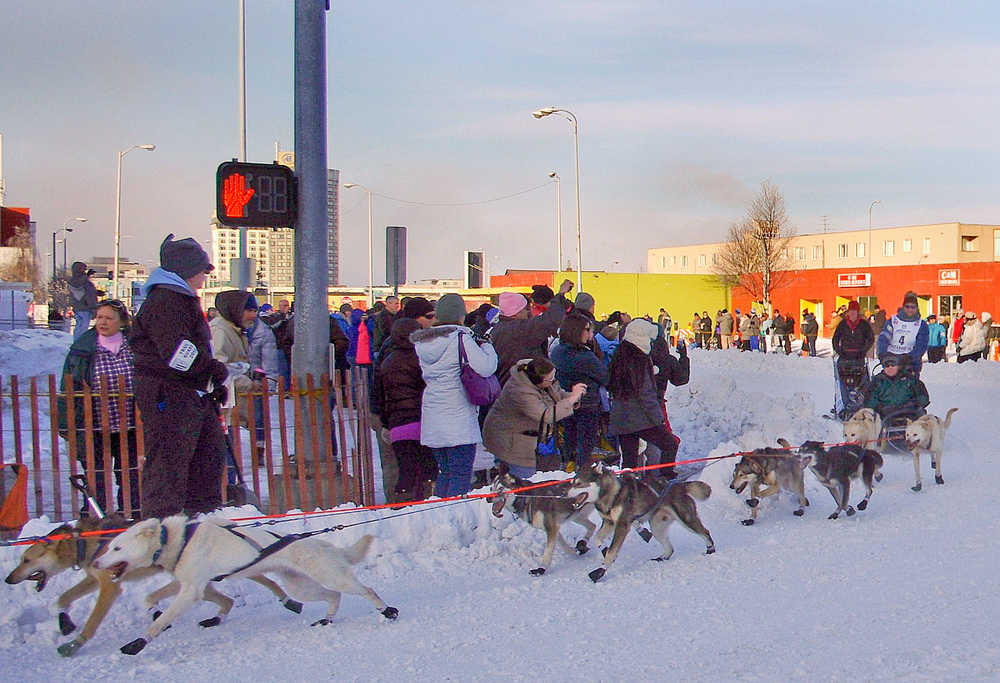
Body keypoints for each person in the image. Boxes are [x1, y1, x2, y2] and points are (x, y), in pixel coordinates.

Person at [129, 234, 228, 519]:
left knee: (206, 456)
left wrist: (207, 383)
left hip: (186, 392)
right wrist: (208, 370)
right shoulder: (166, 302)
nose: (204, 277)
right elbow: (178, 353)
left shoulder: (179, 299)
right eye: (201, 270)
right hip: (167, 394)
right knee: (168, 464)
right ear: (185, 270)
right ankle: (161, 530)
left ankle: (199, 522)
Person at [58, 300, 140, 515]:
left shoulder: (134, 346)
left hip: (129, 423)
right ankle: (96, 516)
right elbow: (69, 387)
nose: (103, 322)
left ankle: (131, 513)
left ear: (121, 322)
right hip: (93, 423)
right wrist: (67, 423)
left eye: (109, 318)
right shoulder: (83, 348)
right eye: (100, 317)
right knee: (96, 475)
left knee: (130, 473)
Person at [412, 293, 498, 497]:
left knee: (446, 472)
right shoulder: (460, 338)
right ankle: (455, 515)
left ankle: (441, 514)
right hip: (457, 414)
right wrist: (487, 345)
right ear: (461, 315)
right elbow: (486, 367)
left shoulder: (424, 342)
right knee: (461, 473)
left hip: (433, 412)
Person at [483, 357, 585, 478]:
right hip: (509, 440)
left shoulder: (542, 379)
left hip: (527, 438)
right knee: (525, 480)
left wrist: (574, 397)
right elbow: (545, 415)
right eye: (550, 378)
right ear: (539, 380)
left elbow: (556, 395)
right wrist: (571, 400)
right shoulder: (520, 390)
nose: (553, 381)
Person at [373, 318, 437, 502]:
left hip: (398, 425)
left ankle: (402, 505)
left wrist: (386, 423)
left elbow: (380, 396)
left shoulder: (387, 361)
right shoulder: (423, 359)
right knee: (429, 467)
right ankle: (428, 501)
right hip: (422, 422)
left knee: (406, 471)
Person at [607, 319, 680, 476]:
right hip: (639, 418)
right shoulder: (640, 359)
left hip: (621, 418)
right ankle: (665, 480)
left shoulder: (620, 354)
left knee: (629, 462)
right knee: (670, 445)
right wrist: (658, 419)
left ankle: (629, 492)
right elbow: (645, 394)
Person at [550, 314, 608, 470]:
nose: (590, 334)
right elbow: (605, 377)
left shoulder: (556, 351)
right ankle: (582, 474)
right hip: (586, 404)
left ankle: (567, 469)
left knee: (570, 440)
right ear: (577, 331)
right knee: (585, 444)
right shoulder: (585, 357)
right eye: (587, 330)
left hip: (564, 402)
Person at [491, 280, 572, 385]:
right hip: (518, 388)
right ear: (516, 312)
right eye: (526, 309)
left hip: (505, 386)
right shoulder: (518, 330)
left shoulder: (498, 329)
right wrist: (560, 294)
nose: (529, 312)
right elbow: (550, 320)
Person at [863, 353, 929, 420]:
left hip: (909, 413)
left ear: (898, 366)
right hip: (884, 415)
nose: (890, 368)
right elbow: (869, 401)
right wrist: (880, 408)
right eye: (887, 365)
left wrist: (914, 403)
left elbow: (923, 396)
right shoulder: (877, 381)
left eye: (893, 365)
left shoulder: (910, 379)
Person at [877, 291, 929, 375]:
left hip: (910, 364)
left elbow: (921, 345)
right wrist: (882, 353)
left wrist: (910, 357)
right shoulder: (893, 320)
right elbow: (884, 337)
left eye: (913, 307)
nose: (910, 309)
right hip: (891, 361)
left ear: (917, 308)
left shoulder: (921, 325)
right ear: (903, 307)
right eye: (907, 307)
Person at [67, 262, 103, 340]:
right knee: (82, 327)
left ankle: (79, 342)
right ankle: (78, 343)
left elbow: (87, 292)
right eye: (83, 269)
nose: (84, 271)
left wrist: (96, 292)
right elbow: (78, 286)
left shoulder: (85, 281)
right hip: (82, 307)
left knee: (83, 327)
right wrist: (87, 276)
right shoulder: (74, 280)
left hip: (87, 307)